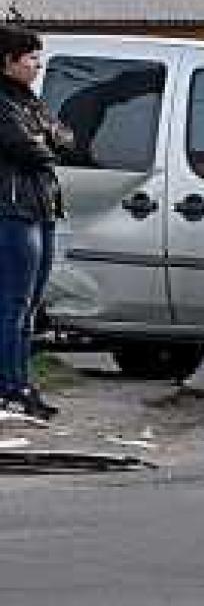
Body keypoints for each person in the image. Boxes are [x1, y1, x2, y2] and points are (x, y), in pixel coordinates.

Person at [0, 25, 68, 420]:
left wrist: (48, 138)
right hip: (14, 211)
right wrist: (46, 140)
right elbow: (28, 149)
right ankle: (10, 387)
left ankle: (22, 384)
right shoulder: (3, 102)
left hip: (43, 208)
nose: (37, 66)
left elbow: (67, 138)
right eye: (30, 58)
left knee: (30, 307)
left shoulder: (30, 101)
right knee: (14, 303)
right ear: (8, 61)